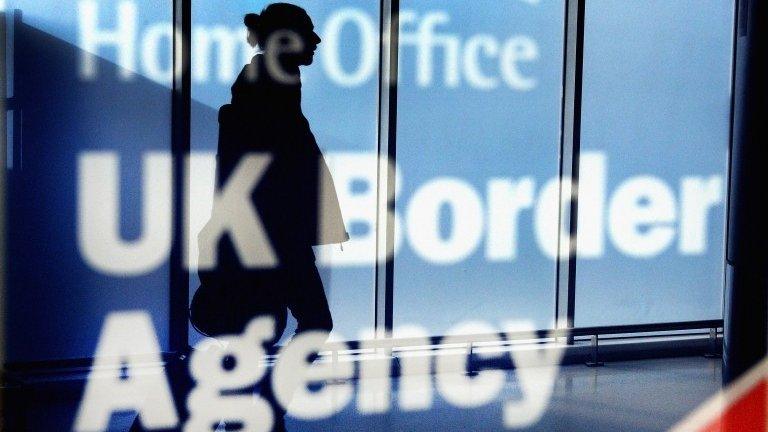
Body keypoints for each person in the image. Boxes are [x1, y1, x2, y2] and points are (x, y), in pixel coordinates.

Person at [190, 3, 348, 431]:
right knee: (309, 322)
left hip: (267, 234)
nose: (315, 41)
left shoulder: (265, 89)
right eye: (308, 34)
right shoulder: (268, 93)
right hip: (275, 235)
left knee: (261, 328)